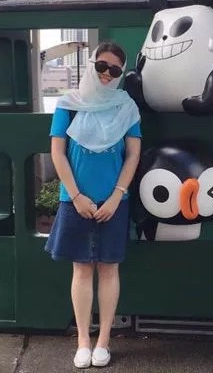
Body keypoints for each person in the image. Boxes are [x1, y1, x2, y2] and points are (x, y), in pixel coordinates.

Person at [45, 42, 141, 369]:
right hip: (75, 199)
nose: (106, 74)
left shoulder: (126, 106)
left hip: (114, 201)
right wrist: (76, 196)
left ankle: (104, 341)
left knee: (109, 267)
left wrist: (116, 196)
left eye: (114, 70)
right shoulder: (68, 104)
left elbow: (133, 155)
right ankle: (83, 340)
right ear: (91, 64)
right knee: (81, 268)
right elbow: (57, 152)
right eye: (101, 66)